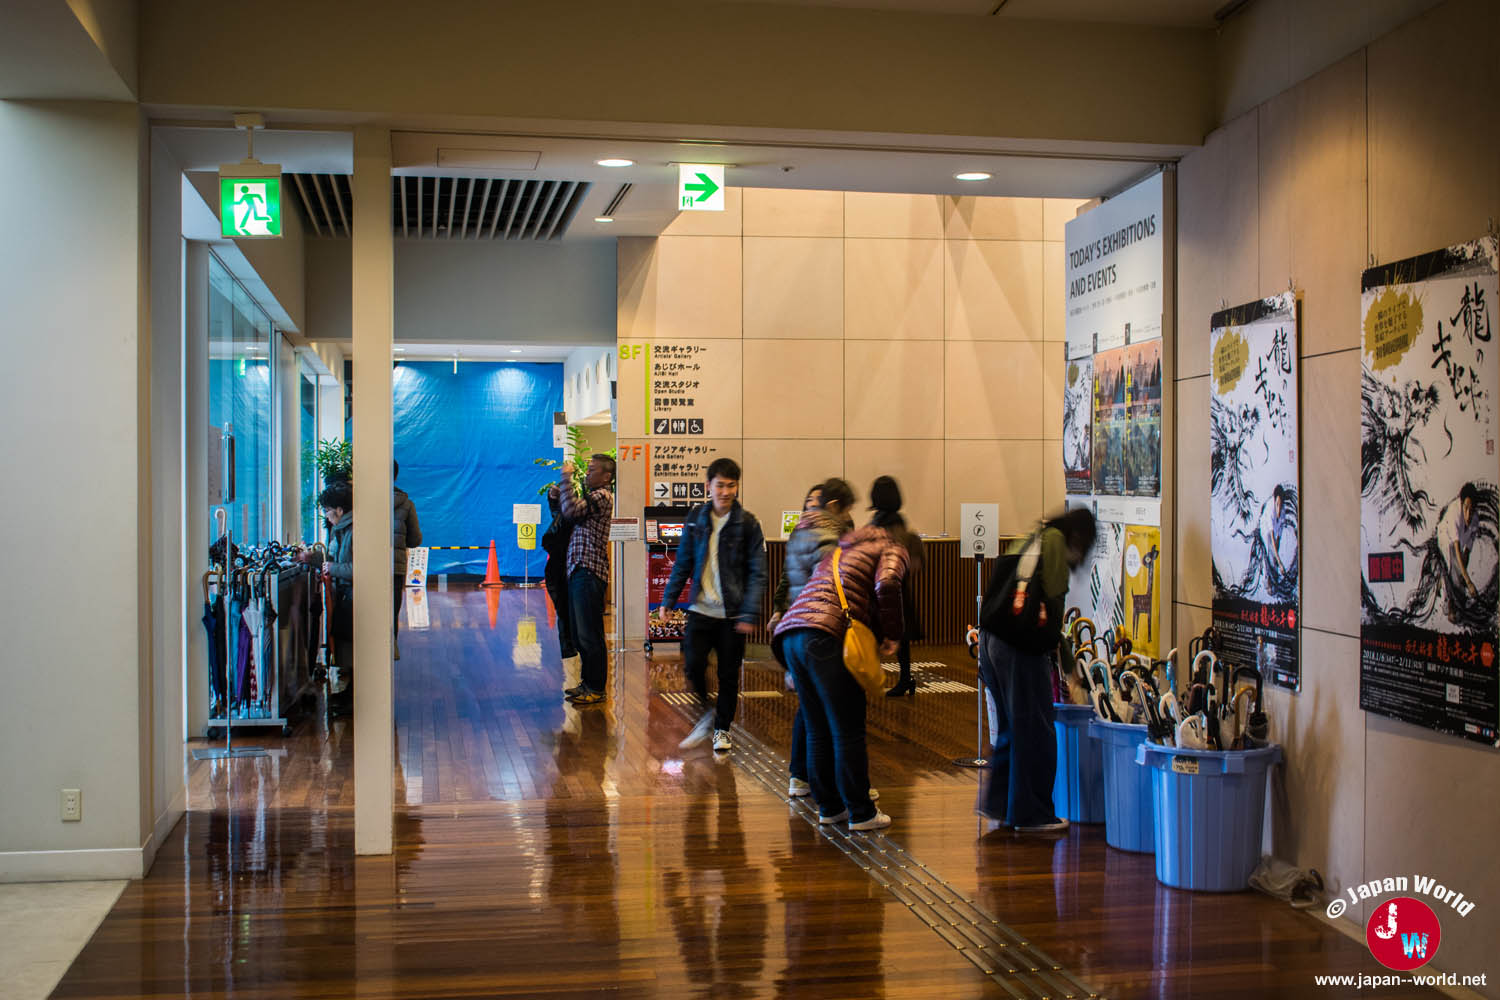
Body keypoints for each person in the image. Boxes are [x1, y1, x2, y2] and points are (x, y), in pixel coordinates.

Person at [773, 514, 908, 831]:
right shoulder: (893, 547)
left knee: (818, 727)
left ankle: (830, 807)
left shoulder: (842, 548)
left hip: (793, 634)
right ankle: (861, 812)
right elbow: (887, 583)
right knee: (847, 728)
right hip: (827, 637)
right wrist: (893, 633)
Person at [976, 508, 1096, 833]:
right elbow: (1054, 609)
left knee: (1011, 732)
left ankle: (1000, 805)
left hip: (991, 641)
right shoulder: (1055, 543)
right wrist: (1071, 669)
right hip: (1019, 647)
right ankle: (1033, 814)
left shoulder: (1033, 538)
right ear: (1078, 537)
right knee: (1035, 731)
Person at [660, 457, 768, 753]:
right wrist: (669, 599)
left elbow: (759, 572)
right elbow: (683, 562)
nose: (725, 491)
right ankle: (708, 711)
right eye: (720, 485)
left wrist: (749, 611)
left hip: (732, 615)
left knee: (729, 675)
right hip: (700, 610)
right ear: (709, 486)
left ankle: (722, 729)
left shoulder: (747, 523)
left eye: (731, 485)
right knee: (693, 666)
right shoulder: (696, 518)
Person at [770, 478, 856, 798]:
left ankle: (807, 781)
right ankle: (834, 789)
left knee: (810, 709)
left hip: (797, 628)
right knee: (827, 714)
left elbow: (788, 578)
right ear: (835, 507)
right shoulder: (830, 537)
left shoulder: (801, 532)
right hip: (820, 628)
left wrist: (781, 611)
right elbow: (832, 582)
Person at [559, 454, 616, 706]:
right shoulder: (592, 496)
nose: (587, 473)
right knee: (582, 633)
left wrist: (566, 479)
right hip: (580, 570)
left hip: (590, 572)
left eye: (592, 470)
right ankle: (587, 683)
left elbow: (570, 510)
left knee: (590, 634)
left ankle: (596, 687)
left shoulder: (602, 496)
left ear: (607, 476)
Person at [867, 476, 924, 697]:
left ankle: (868, 676)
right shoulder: (903, 528)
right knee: (902, 636)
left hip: (876, 590)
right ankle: (905, 678)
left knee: (872, 634)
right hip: (901, 590)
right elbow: (916, 564)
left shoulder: (875, 528)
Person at [311, 481, 355, 717]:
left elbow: (358, 568)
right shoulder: (342, 530)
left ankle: (354, 695)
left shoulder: (353, 531)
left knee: (352, 645)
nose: (326, 517)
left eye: (327, 511)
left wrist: (331, 567)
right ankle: (350, 693)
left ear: (339, 509)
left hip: (353, 597)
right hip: (345, 596)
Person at [544, 479, 579, 692]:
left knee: (568, 615)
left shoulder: (577, 514)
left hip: (568, 569)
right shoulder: (565, 515)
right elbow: (557, 517)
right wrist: (553, 499)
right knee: (565, 615)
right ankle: (570, 661)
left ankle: (573, 662)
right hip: (560, 570)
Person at [392, 460, 422, 662]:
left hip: (366, 569)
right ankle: (390, 650)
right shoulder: (406, 503)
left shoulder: (360, 501)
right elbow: (415, 540)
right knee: (392, 611)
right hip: (395, 567)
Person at [1438, 482, 1481, 619]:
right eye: (1466, 508)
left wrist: (1465, 576)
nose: (1468, 514)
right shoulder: (1455, 513)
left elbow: (1466, 552)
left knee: (1460, 572)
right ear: (1462, 504)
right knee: (1455, 568)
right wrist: (1468, 582)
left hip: (1458, 543)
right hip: (1446, 537)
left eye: (1472, 509)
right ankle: (1451, 606)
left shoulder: (1475, 521)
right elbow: (1457, 550)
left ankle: (1458, 603)